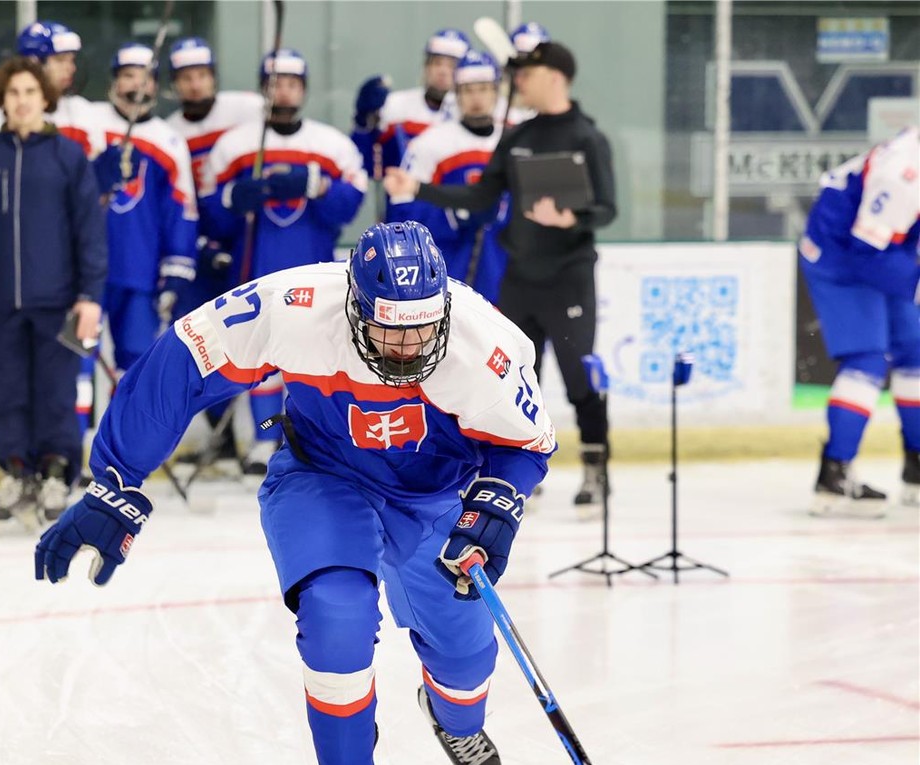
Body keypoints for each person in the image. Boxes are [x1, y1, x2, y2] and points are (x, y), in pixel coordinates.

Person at [35, 222, 556, 765]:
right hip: (324, 476)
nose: (407, 350)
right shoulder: (295, 305)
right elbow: (183, 362)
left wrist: (498, 500)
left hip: (431, 493)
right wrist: (117, 478)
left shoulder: (484, 344)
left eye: (422, 330)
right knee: (336, 613)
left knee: (466, 656)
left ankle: (455, 721)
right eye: (389, 331)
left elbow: (524, 444)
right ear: (355, 306)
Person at [385, 40, 616, 517]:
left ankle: (596, 470)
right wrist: (418, 188)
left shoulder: (588, 137)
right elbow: (483, 197)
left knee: (579, 376)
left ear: (553, 76)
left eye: (525, 77)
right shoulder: (517, 136)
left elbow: (608, 208)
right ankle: (516, 475)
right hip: (519, 278)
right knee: (513, 380)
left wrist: (569, 218)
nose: (517, 87)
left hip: (569, 277)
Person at [0, 57, 108, 529]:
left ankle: (58, 472)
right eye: (13, 93)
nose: (21, 101)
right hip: (2, 301)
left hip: (58, 300)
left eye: (30, 92)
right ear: (2, 100)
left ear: (45, 99)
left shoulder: (68, 157)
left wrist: (90, 295)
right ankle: (18, 472)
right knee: (8, 391)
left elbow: (89, 232)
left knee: (56, 393)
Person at [199, 47, 367, 475]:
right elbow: (212, 215)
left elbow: (348, 208)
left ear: (304, 89)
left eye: (292, 83)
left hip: (313, 269)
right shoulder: (236, 145)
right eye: (275, 83)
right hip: (254, 268)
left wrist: (320, 187)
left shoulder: (330, 144)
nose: (284, 92)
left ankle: (312, 440)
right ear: (263, 89)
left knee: (310, 360)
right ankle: (261, 439)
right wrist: (233, 199)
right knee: (261, 357)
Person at [798, 125, 920, 518]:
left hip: (887, 246)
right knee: (867, 360)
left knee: (915, 351)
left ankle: (916, 469)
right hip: (841, 255)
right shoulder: (903, 173)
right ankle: (834, 472)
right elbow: (866, 250)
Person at [163, 36, 265, 466]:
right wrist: (198, 245)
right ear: (175, 83)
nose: (195, 84)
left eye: (202, 75)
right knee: (200, 343)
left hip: (244, 242)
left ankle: (265, 436)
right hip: (197, 249)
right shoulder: (169, 131)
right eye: (186, 78)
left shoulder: (246, 110)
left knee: (251, 341)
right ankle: (218, 434)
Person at [89, 43, 198, 372]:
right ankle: (71, 427)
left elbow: (181, 210)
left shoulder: (169, 141)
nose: (138, 85)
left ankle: (124, 427)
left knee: (136, 365)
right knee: (73, 360)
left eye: (146, 78)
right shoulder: (88, 126)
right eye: (128, 76)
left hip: (140, 273)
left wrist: (176, 268)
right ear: (113, 82)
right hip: (85, 273)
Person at [387, 50, 508, 302]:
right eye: (468, 90)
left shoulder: (512, 142)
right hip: (450, 268)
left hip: (505, 270)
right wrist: (454, 216)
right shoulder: (430, 144)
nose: (477, 98)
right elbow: (403, 212)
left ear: (496, 92)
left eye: (484, 89)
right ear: (457, 93)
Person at [350, 29, 470, 185]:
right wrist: (364, 124)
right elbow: (368, 167)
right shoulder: (395, 106)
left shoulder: (477, 117)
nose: (443, 71)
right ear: (426, 66)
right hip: (403, 204)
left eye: (451, 65)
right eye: (437, 63)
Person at [0, 21, 99, 155]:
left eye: (71, 60)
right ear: (34, 63)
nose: (71, 68)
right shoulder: (3, 109)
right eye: (60, 60)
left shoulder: (83, 110)